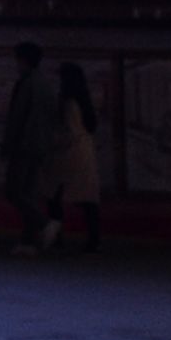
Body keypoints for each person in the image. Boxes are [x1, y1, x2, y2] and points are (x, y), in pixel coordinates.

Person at [0, 41, 67, 255]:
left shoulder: (26, 83)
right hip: (40, 147)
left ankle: (44, 224)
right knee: (28, 193)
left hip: (23, 145)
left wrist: (7, 145)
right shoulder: (45, 84)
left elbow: (17, 118)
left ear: (23, 60)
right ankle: (28, 242)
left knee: (14, 191)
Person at [53, 59, 104, 255]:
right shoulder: (85, 101)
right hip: (84, 153)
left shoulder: (68, 103)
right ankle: (94, 239)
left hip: (68, 154)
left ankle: (56, 236)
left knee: (56, 194)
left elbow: (68, 132)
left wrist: (53, 141)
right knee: (88, 199)